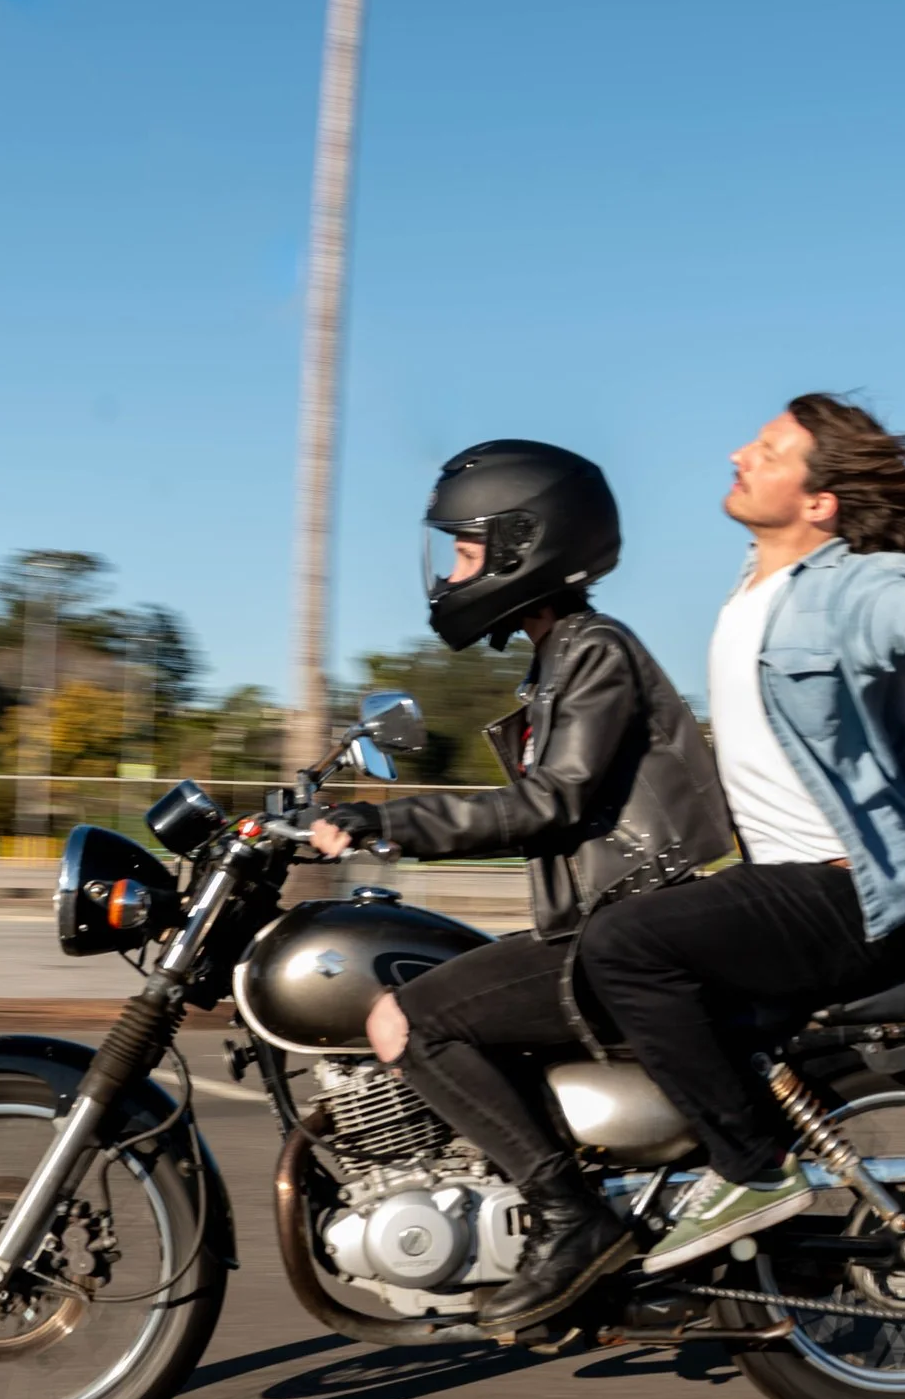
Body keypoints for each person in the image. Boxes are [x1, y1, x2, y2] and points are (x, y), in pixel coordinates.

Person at [567, 393, 905, 1286]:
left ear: (819, 503)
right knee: (632, 950)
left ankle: (750, 1171)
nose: (741, 450)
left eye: (770, 449)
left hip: (844, 895)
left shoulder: (847, 586)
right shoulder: (756, 587)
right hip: (789, 884)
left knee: (623, 947)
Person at [310, 438, 730, 1333]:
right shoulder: (556, 657)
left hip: (632, 929)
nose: (452, 572)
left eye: (466, 550)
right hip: (607, 924)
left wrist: (394, 822)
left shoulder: (593, 650)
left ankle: (572, 1217)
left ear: (522, 546)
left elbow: (557, 800)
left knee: (410, 1017)